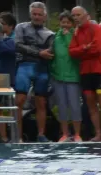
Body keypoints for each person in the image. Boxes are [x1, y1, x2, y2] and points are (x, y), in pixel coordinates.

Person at [13, 3, 54, 143]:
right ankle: (18, 136)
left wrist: (43, 54)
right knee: (19, 100)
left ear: (44, 16)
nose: (36, 17)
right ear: (30, 15)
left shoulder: (50, 34)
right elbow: (17, 45)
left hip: (42, 67)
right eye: (34, 14)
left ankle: (41, 135)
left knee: (41, 102)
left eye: (39, 14)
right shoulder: (21, 27)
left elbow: (51, 52)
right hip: (24, 65)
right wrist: (39, 52)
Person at [66, 6, 101, 140]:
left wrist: (82, 52)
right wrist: (85, 47)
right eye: (73, 16)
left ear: (86, 15)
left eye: (78, 15)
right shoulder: (76, 32)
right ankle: (98, 133)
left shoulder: (97, 28)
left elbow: (97, 48)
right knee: (90, 103)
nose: (75, 18)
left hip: (100, 70)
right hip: (85, 71)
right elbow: (71, 52)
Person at [48, 9, 79, 141]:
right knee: (61, 106)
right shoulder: (55, 37)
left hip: (73, 76)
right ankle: (65, 134)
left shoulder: (76, 36)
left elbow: (74, 52)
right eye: (63, 22)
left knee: (74, 106)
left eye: (68, 22)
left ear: (72, 23)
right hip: (58, 76)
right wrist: (53, 69)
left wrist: (67, 37)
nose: (65, 25)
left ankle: (77, 134)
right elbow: (52, 54)